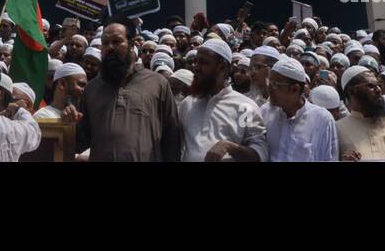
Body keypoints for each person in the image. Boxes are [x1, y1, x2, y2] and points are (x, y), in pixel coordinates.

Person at [71, 21, 182, 162]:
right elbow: (82, 141)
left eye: (117, 41)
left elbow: (171, 137)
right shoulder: (92, 89)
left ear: (132, 44)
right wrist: (70, 124)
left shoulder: (157, 84)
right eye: (105, 43)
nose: (110, 47)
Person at [179, 38, 267, 161]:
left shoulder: (243, 107)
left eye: (203, 62)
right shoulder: (188, 104)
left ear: (222, 67)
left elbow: (260, 153)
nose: (196, 67)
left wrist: (230, 147)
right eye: (196, 62)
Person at [262, 55, 336, 161]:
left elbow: (329, 158)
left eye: (274, 85)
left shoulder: (322, 119)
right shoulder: (265, 112)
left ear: (294, 89)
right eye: (269, 82)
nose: (269, 89)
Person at [336, 65, 385, 161]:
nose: (379, 90)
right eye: (371, 86)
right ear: (351, 91)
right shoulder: (338, 129)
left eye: (379, 85)